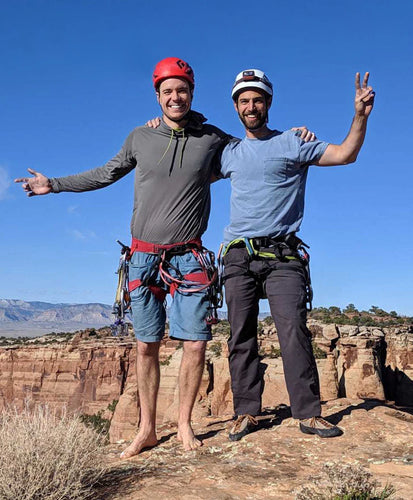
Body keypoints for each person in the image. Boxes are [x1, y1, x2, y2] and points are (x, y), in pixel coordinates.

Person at [15, 57, 232, 456]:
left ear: (192, 93)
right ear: (157, 96)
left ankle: (184, 425)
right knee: (146, 345)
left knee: (196, 344)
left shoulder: (213, 139)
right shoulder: (140, 137)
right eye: (167, 91)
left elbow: (252, 155)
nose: (175, 97)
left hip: (189, 259)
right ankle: (147, 429)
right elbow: (105, 173)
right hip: (143, 258)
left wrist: (290, 139)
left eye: (181, 89)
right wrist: (55, 185)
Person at [220, 69, 375, 441]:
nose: (251, 106)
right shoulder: (228, 152)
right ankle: (246, 413)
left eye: (257, 99)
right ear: (236, 107)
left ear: (268, 103)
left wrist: (359, 116)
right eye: (244, 100)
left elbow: (345, 154)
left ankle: (308, 413)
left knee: (293, 331)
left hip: (283, 255)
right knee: (240, 334)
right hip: (239, 255)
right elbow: (187, 164)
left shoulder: (293, 142)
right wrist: (160, 124)